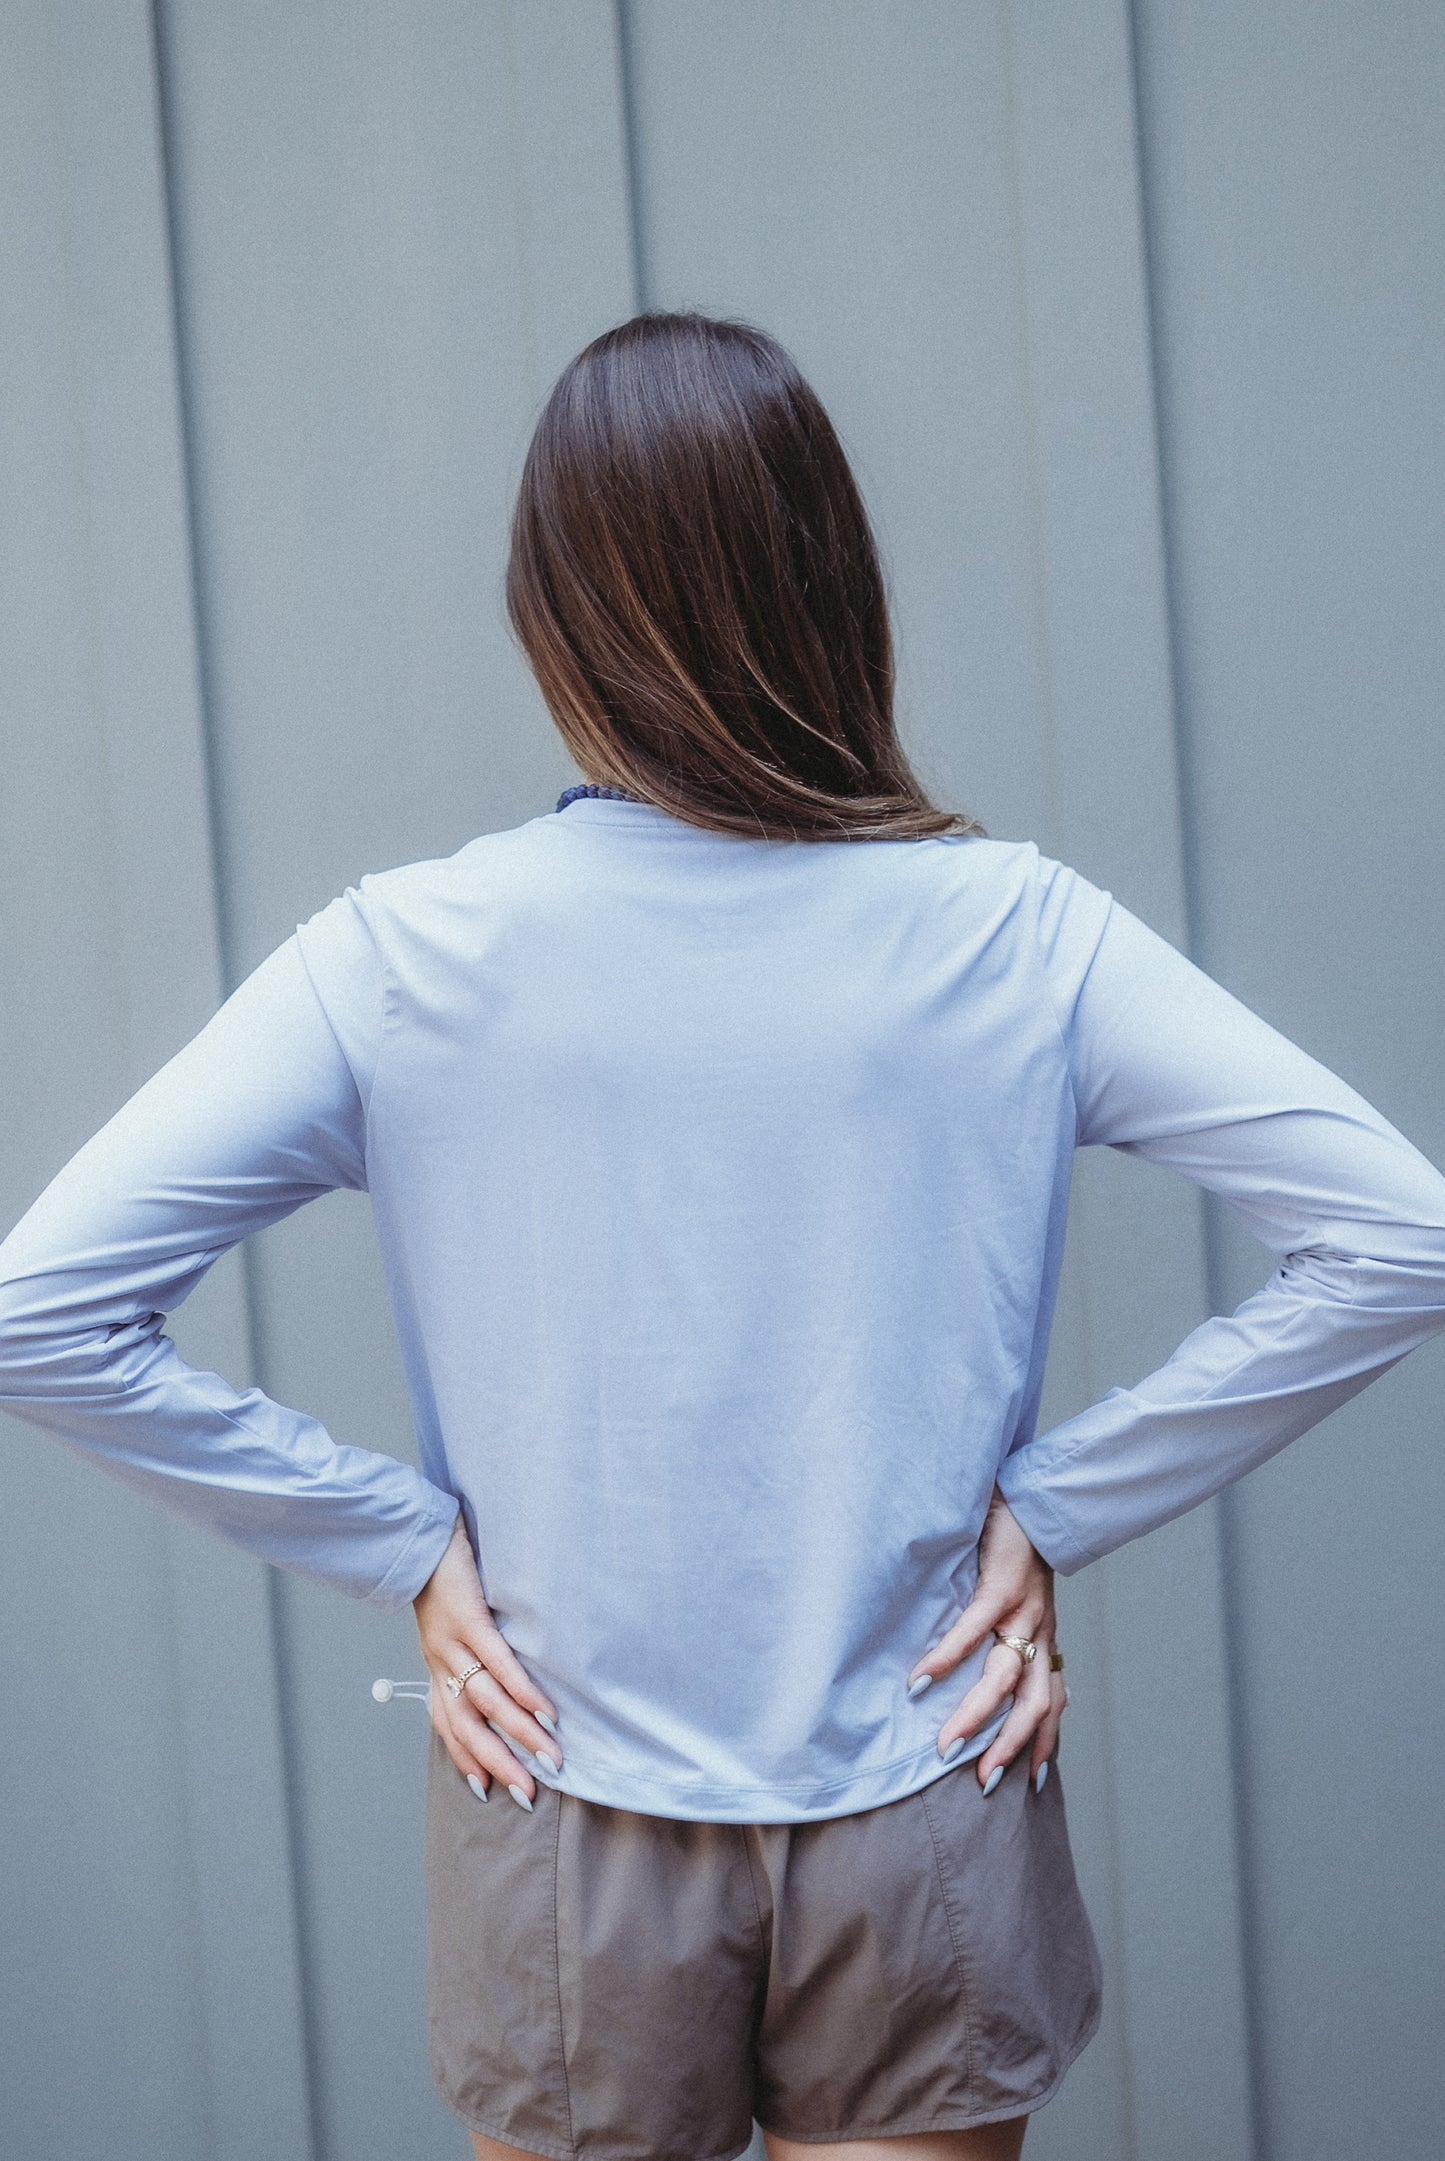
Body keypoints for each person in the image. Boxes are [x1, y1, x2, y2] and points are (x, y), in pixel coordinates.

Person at [2, 311, 1443, 2161]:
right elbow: (1399, 1233)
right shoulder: (1012, 931)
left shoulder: (403, 955)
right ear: (832, 585)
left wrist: (403, 1547)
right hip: (926, 1776)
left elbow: (43, 1314)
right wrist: (1059, 1501)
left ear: (551, 613)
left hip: (560, 1797)